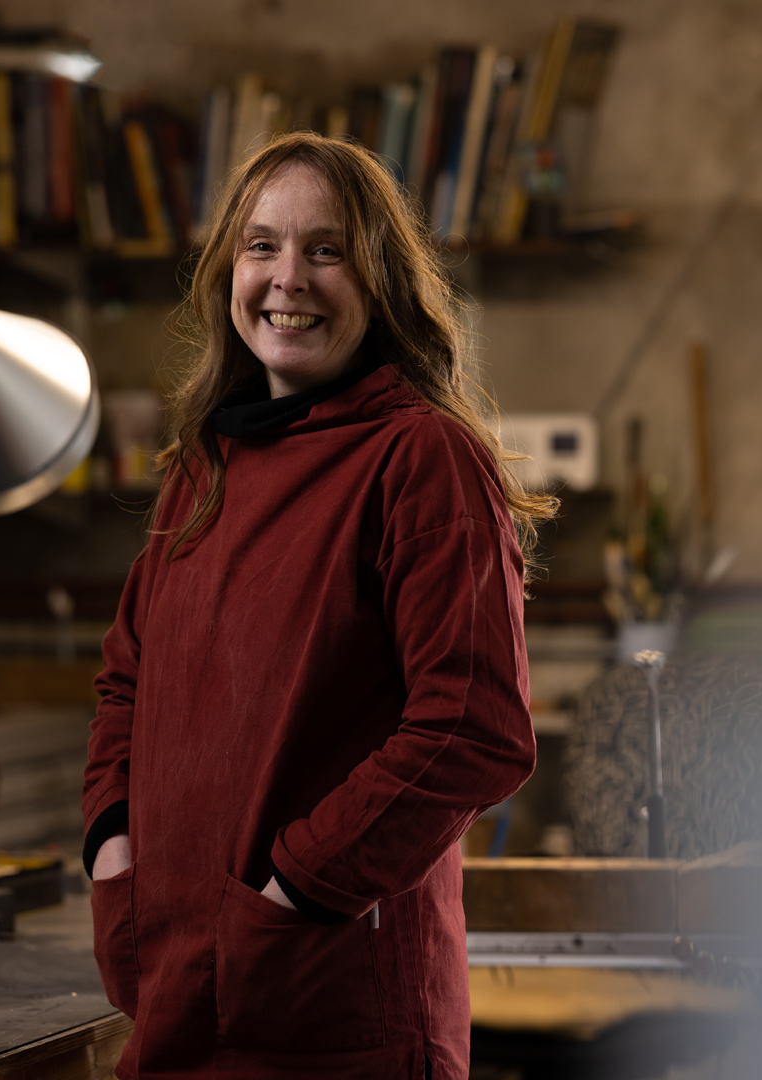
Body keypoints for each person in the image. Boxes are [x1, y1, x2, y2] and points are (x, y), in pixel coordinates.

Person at [81, 132, 551, 1079]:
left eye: (325, 250)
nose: (287, 278)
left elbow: (474, 727)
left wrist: (294, 889)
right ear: (228, 273)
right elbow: (128, 682)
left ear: (377, 282)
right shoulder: (202, 467)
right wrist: (111, 849)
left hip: (332, 1008)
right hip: (177, 994)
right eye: (262, 246)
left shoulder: (421, 459)